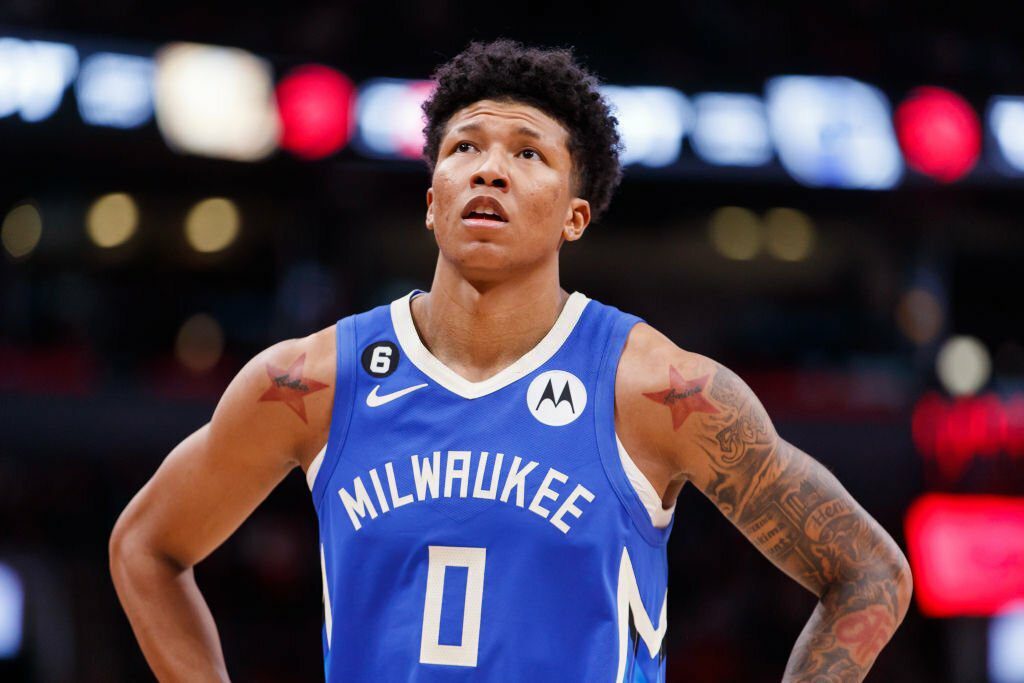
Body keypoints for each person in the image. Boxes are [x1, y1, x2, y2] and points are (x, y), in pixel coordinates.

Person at [109, 39, 913, 682]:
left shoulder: (660, 389)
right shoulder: (313, 381)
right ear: (432, 200)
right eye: (464, 146)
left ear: (574, 216)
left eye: (528, 153)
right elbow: (145, 546)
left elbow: (870, 573)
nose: (489, 166)